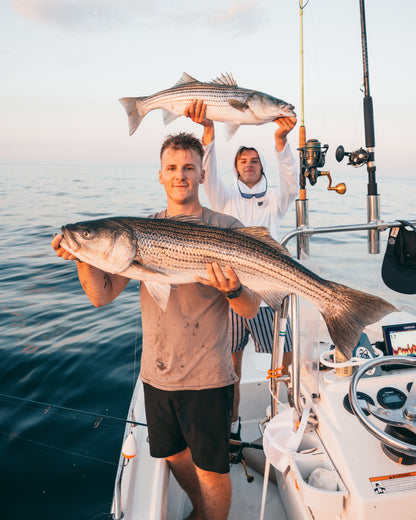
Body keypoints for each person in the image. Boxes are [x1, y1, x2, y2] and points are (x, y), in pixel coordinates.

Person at [52, 132, 260, 520]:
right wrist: (81, 251)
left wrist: (233, 290)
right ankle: (201, 511)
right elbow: (101, 295)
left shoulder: (226, 226)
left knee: (212, 471)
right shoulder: (139, 232)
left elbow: (250, 309)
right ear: (160, 175)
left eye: (188, 168)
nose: (179, 175)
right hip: (157, 374)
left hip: (208, 377)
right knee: (172, 453)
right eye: (171, 168)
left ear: (201, 175)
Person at [185, 100, 299, 442]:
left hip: (267, 295)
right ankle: (232, 424)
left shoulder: (277, 199)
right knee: (231, 364)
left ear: (262, 166)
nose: (249, 165)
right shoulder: (223, 198)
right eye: (243, 161)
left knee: (285, 358)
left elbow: (291, 178)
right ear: (235, 169)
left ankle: (288, 415)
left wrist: (280, 140)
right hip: (232, 295)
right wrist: (208, 132)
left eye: (254, 161)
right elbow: (208, 169)